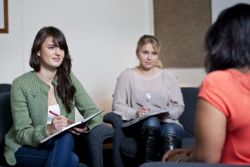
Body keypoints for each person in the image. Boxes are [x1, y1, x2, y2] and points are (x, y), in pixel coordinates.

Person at [162, 3, 250, 165]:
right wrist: (194, 151)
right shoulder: (129, 77)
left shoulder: (219, 82)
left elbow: (207, 158)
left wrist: (179, 161)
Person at [4, 26, 103, 167]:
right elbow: (22, 134)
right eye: (51, 47)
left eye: (61, 48)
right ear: (38, 51)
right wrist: (49, 129)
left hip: (60, 145)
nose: (58, 53)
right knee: (72, 159)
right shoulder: (20, 84)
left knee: (66, 137)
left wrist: (86, 127)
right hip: (25, 148)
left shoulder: (68, 78)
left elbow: (94, 112)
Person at [112, 35, 185, 162]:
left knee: (171, 130)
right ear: (137, 53)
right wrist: (136, 112)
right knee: (152, 121)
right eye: (145, 52)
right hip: (141, 124)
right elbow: (117, 105)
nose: (150, 57)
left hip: (168, 122)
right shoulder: (127, 76)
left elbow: (179, 106)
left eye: (154, 53)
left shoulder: (168, 76)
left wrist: (168, 114)